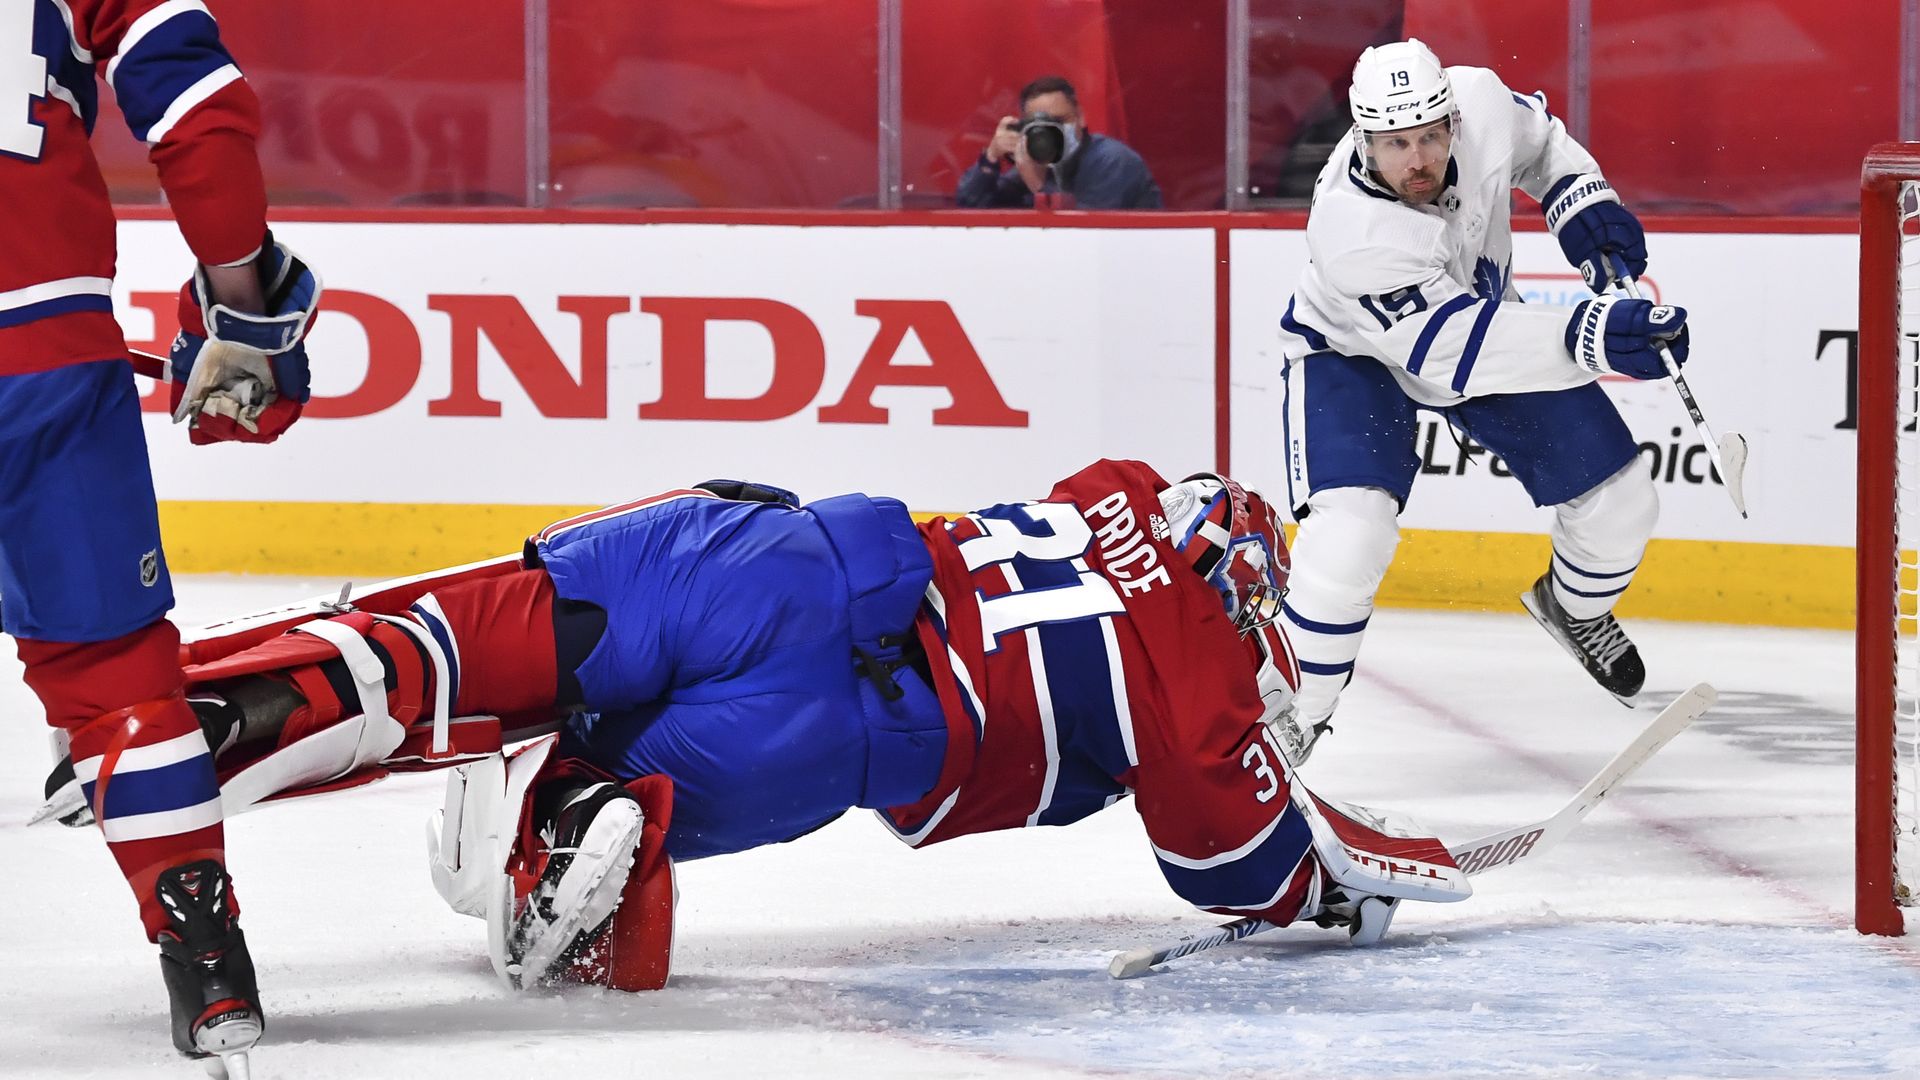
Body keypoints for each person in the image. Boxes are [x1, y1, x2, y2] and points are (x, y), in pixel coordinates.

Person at [38, 461, 1472, 991]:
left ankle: (277, 685)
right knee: (581, 883)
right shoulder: (1206, 685)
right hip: (853, 734)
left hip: (774, 559)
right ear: (1240, 588)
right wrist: (1340, 877)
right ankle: (569, 823)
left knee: (489, 635)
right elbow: (1235, 863)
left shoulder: (1114, 488)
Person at [2, 2, 320, 1072]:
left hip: (46, 345)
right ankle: (207, 959)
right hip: (40, 353)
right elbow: (194, 106)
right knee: (113, 676)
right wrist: (242, 305)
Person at [1270, 39, 1690, 765]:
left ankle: (1574, 609)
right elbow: (1454, 350)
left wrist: (1584, 204)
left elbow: (1543, 146)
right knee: (1350, 537)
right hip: (1353, 355)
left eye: (1431, 136)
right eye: (1396, 144)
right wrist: (1594, 333)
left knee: (1624, 502)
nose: (1419, 160)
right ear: (1363, 140)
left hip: (1477, 323)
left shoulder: (1482, 101)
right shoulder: (1353, 232)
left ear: (1453, 119)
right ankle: (1288, 724)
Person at [956, 76, 1162, 210]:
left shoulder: (1113, 161)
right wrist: (990, 158)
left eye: (1060, 121)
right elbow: (969, 206)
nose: (1052, 132)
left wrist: (1038, 186)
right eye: (1042, 125)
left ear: (1080, 117)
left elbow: (1087, 235)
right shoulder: (1036, 163)